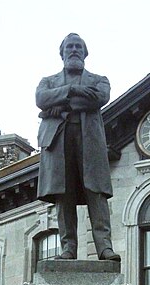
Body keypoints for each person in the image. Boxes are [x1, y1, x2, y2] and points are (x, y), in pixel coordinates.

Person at [36, 33, 120, 262]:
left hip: (89, 141)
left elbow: (99, 98)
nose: (74, 50)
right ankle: (68, 249)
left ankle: (104, 248)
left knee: (96, 193)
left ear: (85, 53)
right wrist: (73, 91)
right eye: (69, 47)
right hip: (58, 142)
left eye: (78, 47)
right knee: (64, 195)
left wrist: (59, 104)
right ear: (62, 53)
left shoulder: (99, 80)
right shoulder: (47, 81)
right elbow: (41, 99)